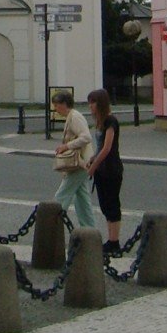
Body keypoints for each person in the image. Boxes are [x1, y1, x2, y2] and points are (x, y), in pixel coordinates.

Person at [86, 88, 124, 255]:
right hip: (102, 170)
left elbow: (108, 147)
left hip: (111, 169)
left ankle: (114, 242)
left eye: (93, 102)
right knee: (105, 205)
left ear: (100, 103)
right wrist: (93, 158)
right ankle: (110, 240)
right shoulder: (100, 122)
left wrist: (94, 165)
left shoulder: (110, 121)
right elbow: (100, 147)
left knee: (112, 204)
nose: (90, 106)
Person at [51, 90, 96, 229]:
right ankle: (89, 228)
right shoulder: (72, 116)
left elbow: (86, 137)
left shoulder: (75, 117)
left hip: (80, 162)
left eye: (57, 105)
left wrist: (66, 146)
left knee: (63, 193)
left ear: (64, 104)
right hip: (82, 162)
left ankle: (51, 220)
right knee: (82, 198)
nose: (55, 109)